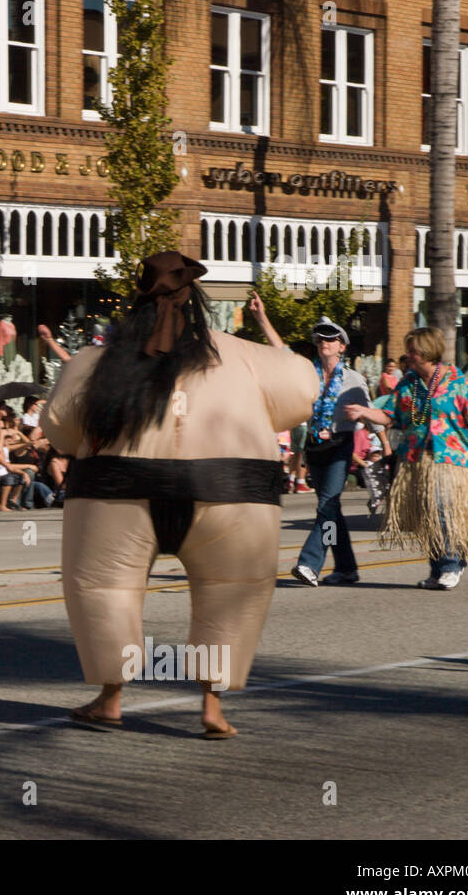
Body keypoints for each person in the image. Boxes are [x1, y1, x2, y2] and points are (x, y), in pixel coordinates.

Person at [43, 251, 318, 739]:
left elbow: (60, 428)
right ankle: (212, 707)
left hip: (115, 491)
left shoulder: (98, 363)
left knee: (107, 592)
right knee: (228, 593)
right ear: (194, 299)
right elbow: (302, 385)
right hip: (231, 490)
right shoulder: (242, 355)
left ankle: (110, 697)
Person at [346, 326, 468, 590]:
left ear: (427, 351)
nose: (408, 355)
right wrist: (364, 412)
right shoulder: (408, 384)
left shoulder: (458, 381)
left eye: (413, 351)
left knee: (443, 510)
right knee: (429, 515)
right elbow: (389, 416)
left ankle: (450, 565)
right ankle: (439, 570)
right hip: (416, 459)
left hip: (451, 459)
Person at [284, 315, 381, 587]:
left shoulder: (353, 379)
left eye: (332, 338)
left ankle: (310, 563)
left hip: (341, 446)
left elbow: (370, 412)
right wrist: (261, 318)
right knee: (331, 510)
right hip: (315, 447)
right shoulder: (308, 375)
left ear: (342, 346)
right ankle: (346, 567)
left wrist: (380, 444)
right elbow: (283, 352)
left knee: (327, 505)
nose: (325, 342)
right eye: (321, 338)